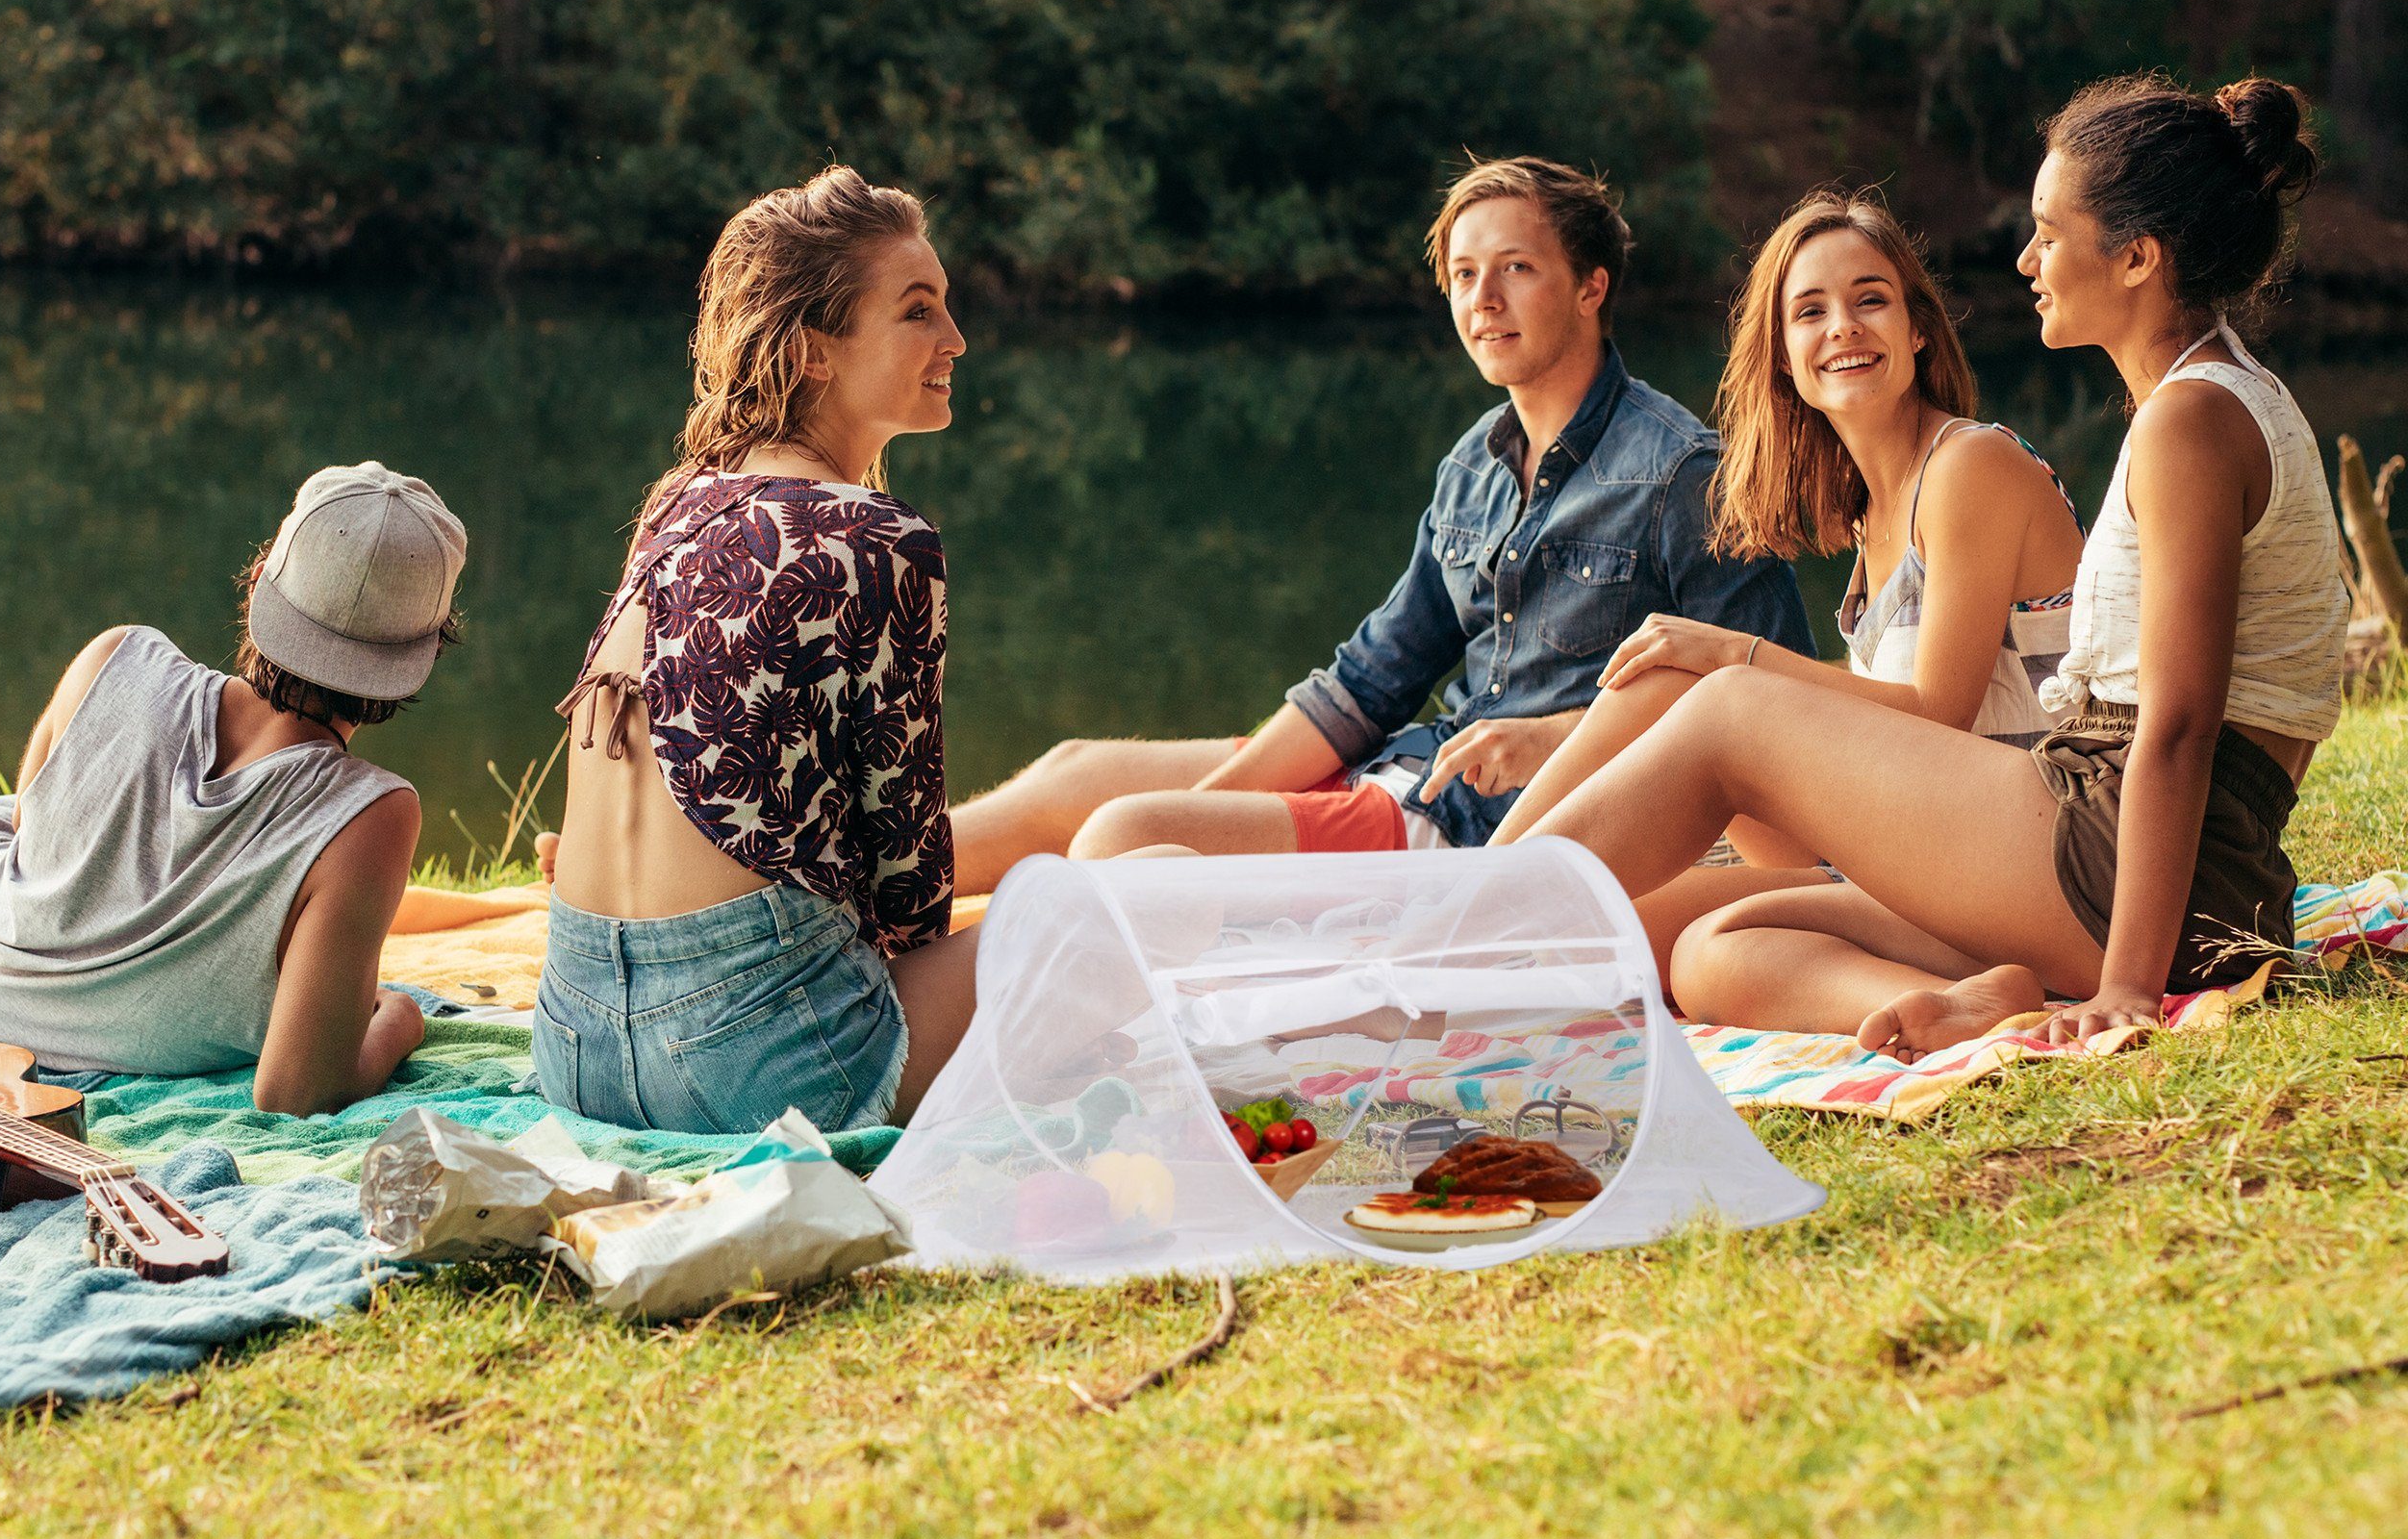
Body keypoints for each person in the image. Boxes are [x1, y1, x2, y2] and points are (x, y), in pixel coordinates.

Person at [1508, 75, 2348, 1060]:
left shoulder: (2191, 419)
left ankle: (1434, 935)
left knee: (1726, 709)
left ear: (2135, 256)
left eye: (2047, 231)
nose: (2026, 258)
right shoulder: (2204, 399)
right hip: (2153, 863)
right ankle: (1986, 997)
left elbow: (2174, 726)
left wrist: (2126, 986)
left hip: (2136, 856)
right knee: (1715, 948)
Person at [950, 155, 1812, 881]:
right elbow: (1370, 682)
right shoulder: (1474, 463)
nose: (1484, 300)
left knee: (1124, 835)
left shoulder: (1683, 474)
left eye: (1516, 268)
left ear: (1591, 287)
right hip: (1415, 765)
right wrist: (1220, 803)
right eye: (1464, 276)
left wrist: (1557, 740)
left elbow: (1766, 715)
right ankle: (853, 893)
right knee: (1077, 775)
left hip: (1486, 837)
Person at [1478, 189, 2085, 978]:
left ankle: (1462, 913)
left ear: (1921, 332)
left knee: (1704, 688)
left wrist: (1740, 656)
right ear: (1786, 362)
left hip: (2026, 851)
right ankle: (1473, 898)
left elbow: (1937, 714)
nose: (1843, 326)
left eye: (1872, 300)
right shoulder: (1873, 513)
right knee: (1590, 941)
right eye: (1811, 312)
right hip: (1918, 846)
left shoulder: (1972, 466)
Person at [535, 165, 977, 1135]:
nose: (954, 340)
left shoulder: (679, 499)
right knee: (1088, 917)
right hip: (755, 1072)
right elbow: (909, 890)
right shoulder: (875, 538)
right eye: (917, 311)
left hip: (572, 1047)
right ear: (817, 351)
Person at [0, 462, 466, 1111]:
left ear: (258, 582)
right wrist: (401, 1018)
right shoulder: (369, 815)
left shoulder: (115, 655)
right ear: (421, 660)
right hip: (91, 1037)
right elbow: (296, 1091)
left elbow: (33, 839)